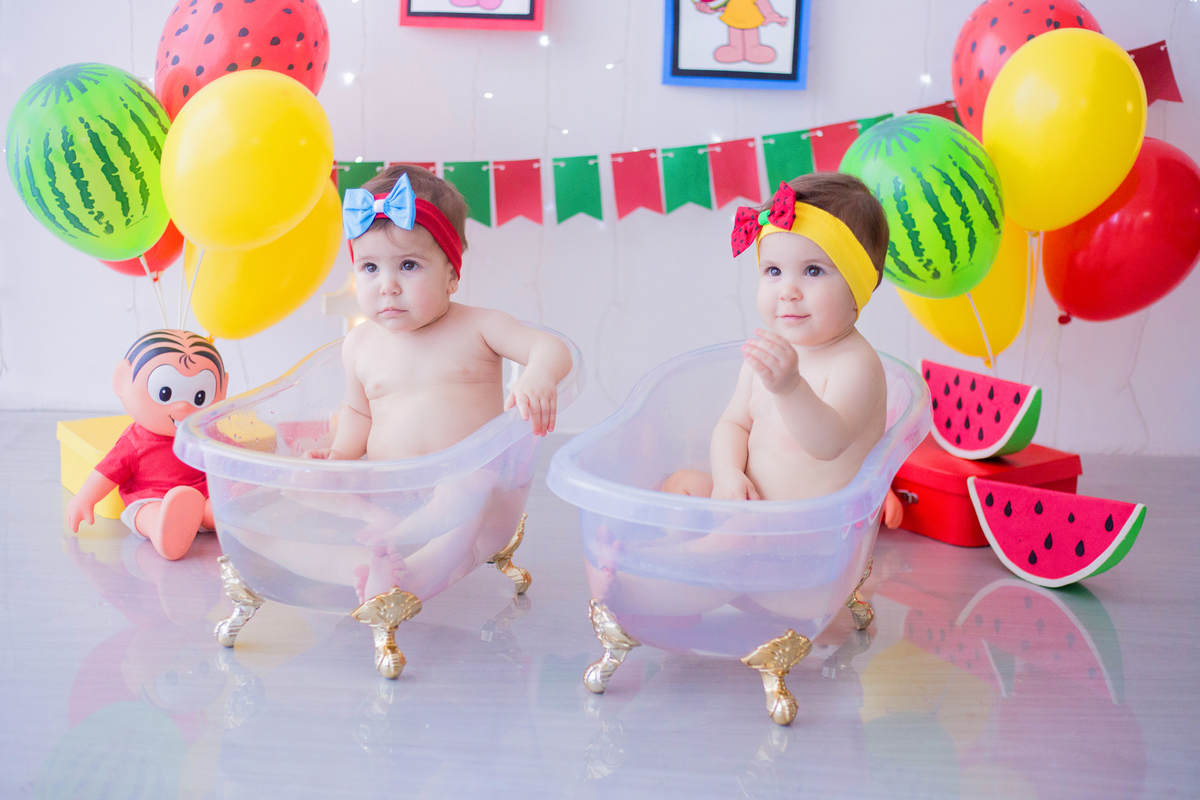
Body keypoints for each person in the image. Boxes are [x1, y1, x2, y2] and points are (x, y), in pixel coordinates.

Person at [663, 174, 904, 528]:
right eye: (774, 270)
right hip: (749, 506)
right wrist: (728, 475)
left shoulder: (855, 365)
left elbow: (827, 443)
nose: (788, 289)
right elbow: (733, 424)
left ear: (857, 286)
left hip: (808, 534)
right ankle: (672, 549)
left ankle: (658, 562)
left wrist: (790, 388)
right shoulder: (769, 354)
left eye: (813, 270)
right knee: (681, 484)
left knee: (738, 534)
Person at [66, 330, 228, 560]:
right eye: (166, 393)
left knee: (217, 504)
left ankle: (217, 521)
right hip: (150, 498)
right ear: (121, 381)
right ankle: (163, 529)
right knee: (145, 515)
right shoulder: (134, 441)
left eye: (199, 397)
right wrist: (85, 498)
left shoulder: (205, 434)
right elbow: (107, 472)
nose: (183, 407)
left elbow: (228, 458)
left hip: (200, 496)